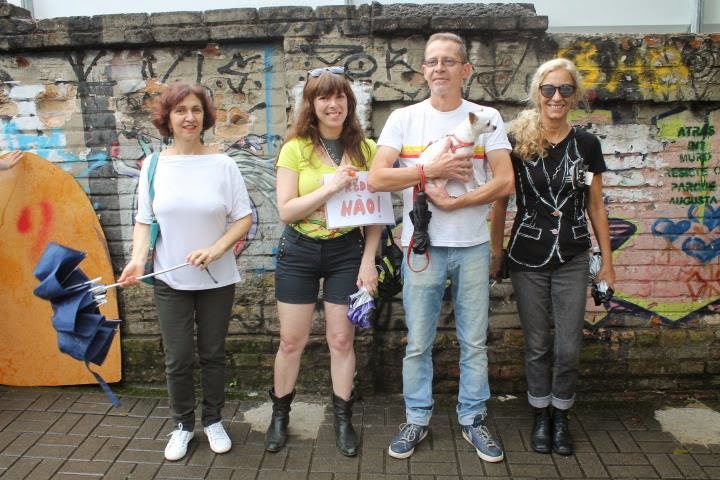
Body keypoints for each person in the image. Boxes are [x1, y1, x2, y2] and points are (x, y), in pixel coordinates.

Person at [368, 33, 514, 462]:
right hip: (422, 248)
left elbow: (505, 181)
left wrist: (456, 202)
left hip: (472, 247)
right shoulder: (403, 119)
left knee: (474, 343)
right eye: (432, 61)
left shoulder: (486, 117)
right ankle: (416, 417)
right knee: (418, 342)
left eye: (448, 61)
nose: (439, 68)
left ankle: (473, 418)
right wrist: (428, 171)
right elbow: (377, 178)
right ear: (423, 70)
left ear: (465, 69)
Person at [118, 81, 253, 461]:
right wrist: (137, 259)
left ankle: (213, 420)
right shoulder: (153, 165)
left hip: (217, 279)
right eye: (180, 110)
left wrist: (216, 249)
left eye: (196, 109)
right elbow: (144, 220)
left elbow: (243, 218)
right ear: (168, 118)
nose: (189, 117)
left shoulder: (223, 164)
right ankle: (182, 425)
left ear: (205, 117)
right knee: (177, 358)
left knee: (212, 354)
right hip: (169, 278)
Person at [489, 58, 615, 456]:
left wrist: (607, 263)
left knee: (568, 347)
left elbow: (596, 205)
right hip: (527, 254)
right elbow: (500, 200)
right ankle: (540, 414)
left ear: (574, 95)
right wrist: (496, 250)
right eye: (548, 89)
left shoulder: (587, 144)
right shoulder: (516, 139)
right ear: (537, 93)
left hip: (573, 254)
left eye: (564, 89)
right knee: (538, 344)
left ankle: (561, 415)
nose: (556, 97)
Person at [266, 66, 382, 457]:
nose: (333, 104)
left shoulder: (366, 150)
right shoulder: (295, 148)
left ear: (349, 101)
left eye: (339, 96)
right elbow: (286, 210)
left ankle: (343, 419)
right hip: (299, 251)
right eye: (323, 97)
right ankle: (280, 415)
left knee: (341, 340)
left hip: (346, 252)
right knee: (291, 341)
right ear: (311, 105)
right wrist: (331, 186)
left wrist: (368, 261)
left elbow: (375, 214)